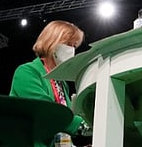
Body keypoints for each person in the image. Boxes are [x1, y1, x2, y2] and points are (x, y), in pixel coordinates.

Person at [9, 19, 90, 147]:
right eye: (68, 44)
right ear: (52, 41)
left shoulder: (61, 83)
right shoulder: (27, 72)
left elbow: (61, 129)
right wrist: (84, 125)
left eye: (74, 46)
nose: (71, 50)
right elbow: (46, 112)